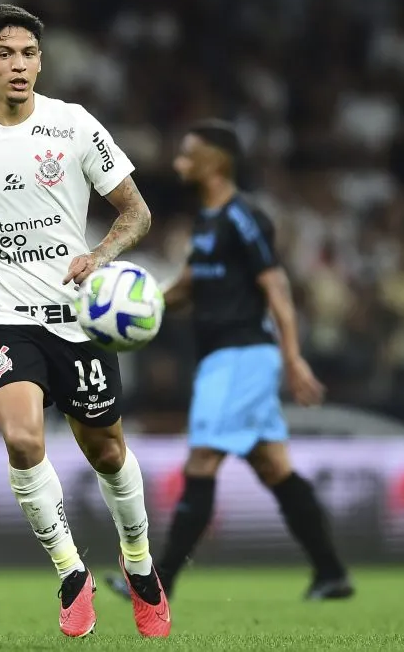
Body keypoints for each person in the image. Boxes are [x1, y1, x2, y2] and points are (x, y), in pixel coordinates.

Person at [0, 4, 170, 638]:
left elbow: (136, 211)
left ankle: (140, 566)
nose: (19, 65)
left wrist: (100, 255)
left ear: (40, 63)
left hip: (78, 317)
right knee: (23, 440)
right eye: (6, 54)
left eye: (28, 55)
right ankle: (72, 573)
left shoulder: (73, 127)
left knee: (106, 451)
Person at [105, 119, 355, 602]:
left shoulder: (244, 217)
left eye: (187, 154)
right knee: (273, 466)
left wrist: (294, 356)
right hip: (228, 357)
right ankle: (331, 573)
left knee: (201, 461)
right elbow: (184, 290)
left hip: (242, 355)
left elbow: (275, 285)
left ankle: (157, 583)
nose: (177, 162)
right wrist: (134, 307)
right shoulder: (206, 222)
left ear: (214, 162)